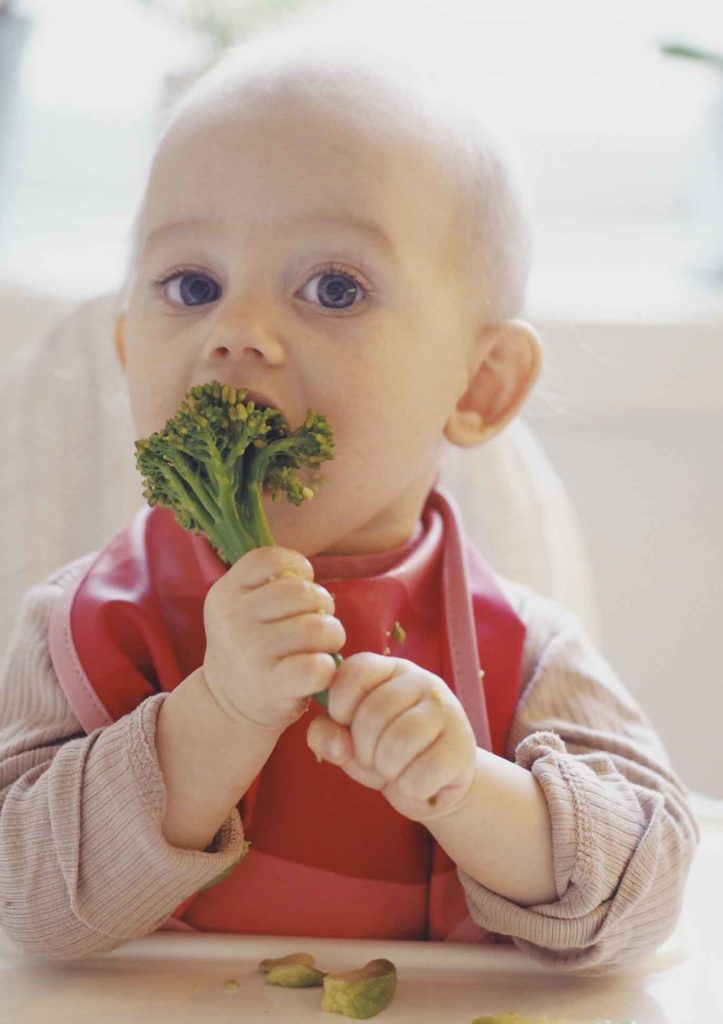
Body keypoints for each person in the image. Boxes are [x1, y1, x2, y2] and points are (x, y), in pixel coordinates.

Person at [0, 16, 697, 972]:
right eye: (193, 283)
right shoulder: (78, 627)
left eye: (333, 288)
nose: (237, 332)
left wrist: (471, 791)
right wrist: (216, 717)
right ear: (127, 353)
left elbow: (648, 890)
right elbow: (24, 901)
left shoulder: (521, 652)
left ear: (479, 384)